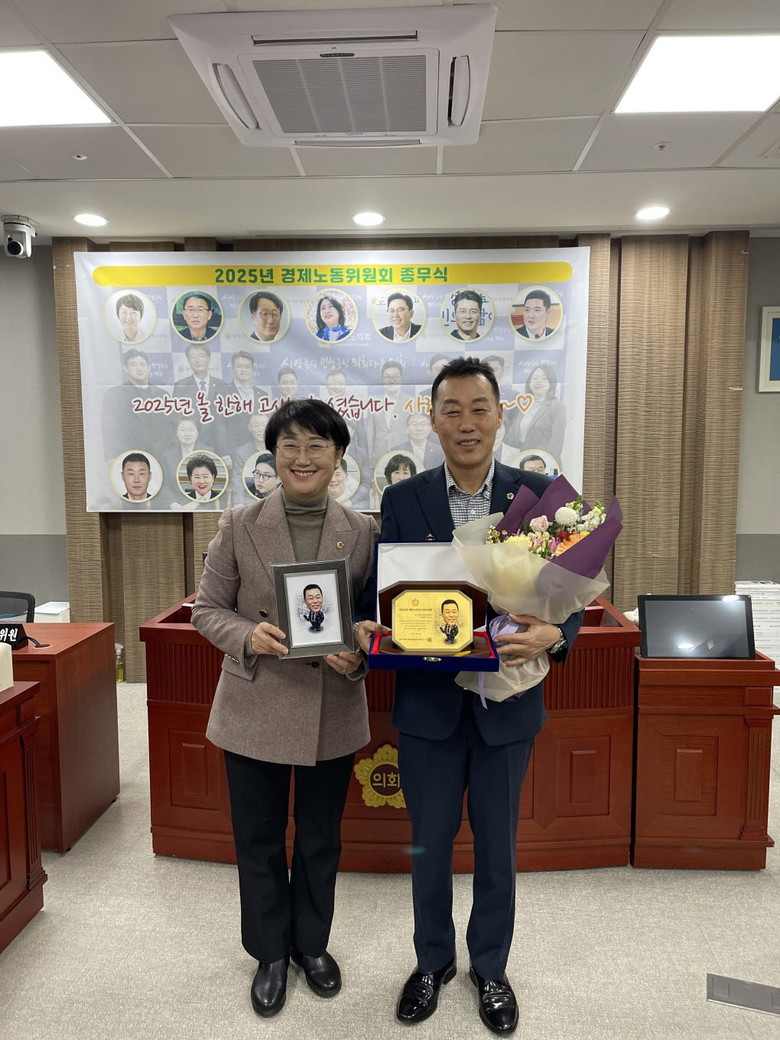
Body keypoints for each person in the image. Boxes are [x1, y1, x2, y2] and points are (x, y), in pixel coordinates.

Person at [374, 356, 583, 1035]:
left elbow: (572, 594)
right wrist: (374, 623)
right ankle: (431, 962)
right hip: (428, 704)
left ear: (500, 416)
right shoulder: (404, 498)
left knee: (497, 847)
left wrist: (555, 632)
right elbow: (383, 590)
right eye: (452, 410)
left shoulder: (541, 494)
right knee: (429, 844)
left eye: (478, 409)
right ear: (433, 420)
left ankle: (490, 968)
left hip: (508, 703)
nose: (466, 423)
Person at [191, 398, 378, 1019]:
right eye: (290, 445)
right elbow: (206, 610)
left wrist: (359, 654)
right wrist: (248, 634)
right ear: (273, 454)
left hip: (333, 703)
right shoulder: (238, 523)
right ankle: (270, 952)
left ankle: (312, 946)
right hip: (256, 701)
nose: (303, 457)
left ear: (338, 456)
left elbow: (369, 621)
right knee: (260, 838)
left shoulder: (363, 529)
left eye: (317, 445)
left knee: (322, 838)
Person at [101, 348, 167, 462]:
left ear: (148, 367)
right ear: (125, 368)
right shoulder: (115, 394)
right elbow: (109, 430)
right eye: (133, 364)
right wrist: (112, 458)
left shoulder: (162, 395)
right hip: (127, 458)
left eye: (142, 364)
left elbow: (168, 430)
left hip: (159, 457)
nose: (139, 368)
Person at [515, 364, 566, 460]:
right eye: (534, 378)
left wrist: (547, 462)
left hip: (544, 462)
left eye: (543, 378)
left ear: (551, 382)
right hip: (523, 460)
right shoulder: (523, 405)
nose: (538, 382)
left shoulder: (556, 406)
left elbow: (557, 443)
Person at [366, 360, 413, 461]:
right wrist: (370, 458)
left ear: (401, 379)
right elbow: (370, 433)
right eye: (387, 377)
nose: (391, 380)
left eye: (395, 377)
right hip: (379, 456)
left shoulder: (410, 401)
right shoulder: (374, 402)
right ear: (382, 379)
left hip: (403, 456)